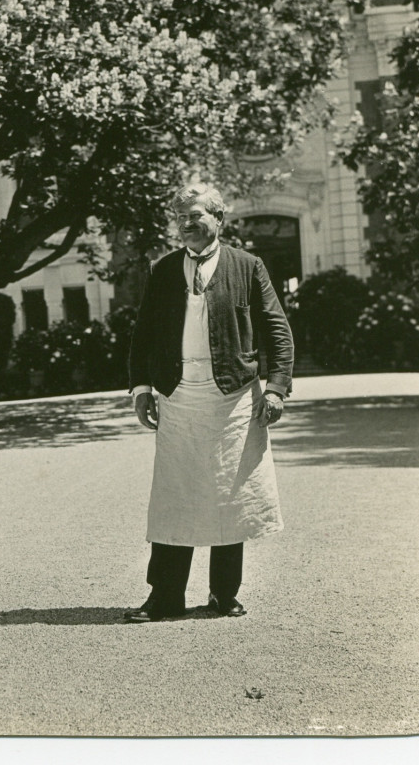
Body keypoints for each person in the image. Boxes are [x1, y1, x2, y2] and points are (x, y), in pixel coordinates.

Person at [125, 182, 293, 623]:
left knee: (229, 494)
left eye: (196, 215)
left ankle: (223, 594)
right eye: (180, 217)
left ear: (218, 218)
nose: (187, 224)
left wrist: (276, 387)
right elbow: (143, 334)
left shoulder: (248, 266)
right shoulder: (163, 270)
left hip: (232, 398)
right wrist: (141, 388)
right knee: (173, 496)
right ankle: (165, 597)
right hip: (178, 396)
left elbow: (277, 329)